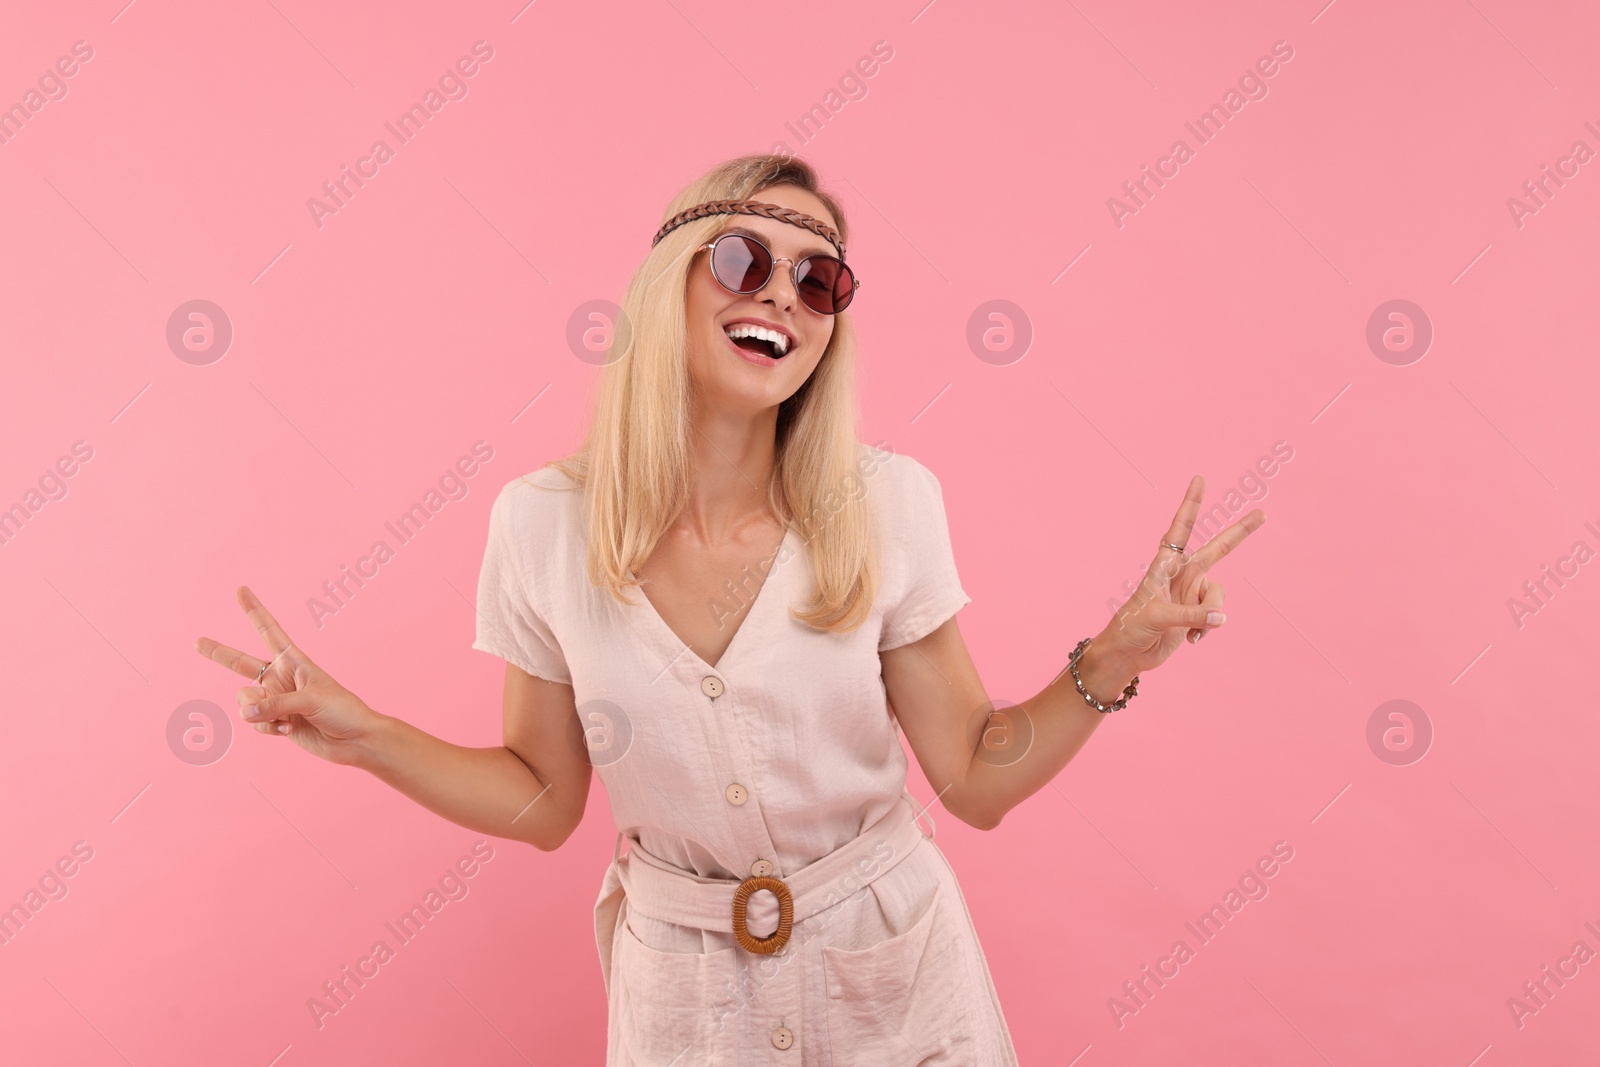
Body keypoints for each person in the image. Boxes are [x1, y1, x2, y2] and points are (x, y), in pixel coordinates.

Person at [195, 153, 1264, 1065]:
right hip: (683, 998)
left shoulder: (885, 502)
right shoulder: (542, 526)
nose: (780, 298)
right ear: (672, 283)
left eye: (820, 280)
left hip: (896, 973)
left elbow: (976, 777)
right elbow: (543, 795)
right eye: (744, 261)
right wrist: (369, 736)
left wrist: (1116, 655)